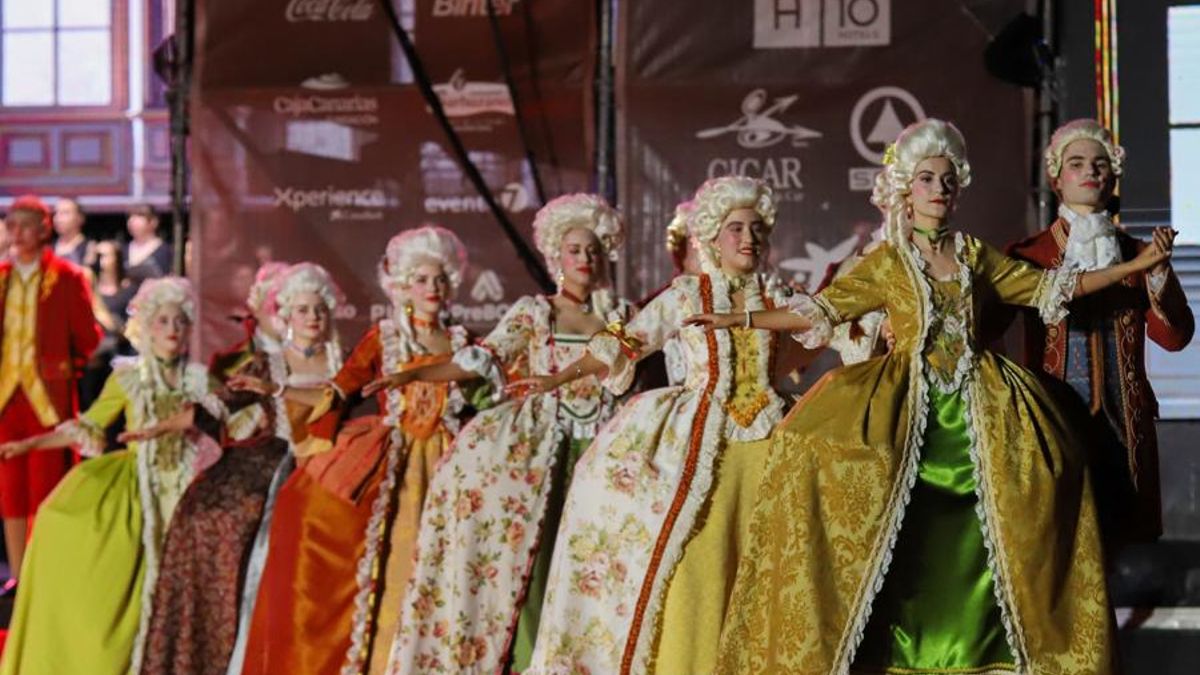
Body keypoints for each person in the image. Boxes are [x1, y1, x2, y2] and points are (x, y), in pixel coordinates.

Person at [699, 120, 1172, 674]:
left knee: (1021, 500)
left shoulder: (974, 254)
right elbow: (821, 310)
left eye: (947, 179)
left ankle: (990, 651)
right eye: (926, 178)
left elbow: (1051, 288)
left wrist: (1136, 266)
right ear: (907, 189)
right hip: (905, 406)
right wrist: (741, 317)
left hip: (981, 405)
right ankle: (892, 649)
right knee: (875, 508)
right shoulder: (889, 260)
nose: (939, 188)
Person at [523, 176, 807, 674]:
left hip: (769, 439)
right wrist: (561, 376)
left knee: (772, 567)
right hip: (703, 442)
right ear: (712, 238)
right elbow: (625, 341)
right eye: (735, 228)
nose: (748, 239)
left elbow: (819, 332)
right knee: (697, 565)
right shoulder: (687, 294)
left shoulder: (778, 295)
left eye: (756, 229)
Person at [382, 195, 634, 675]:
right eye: (576, 249)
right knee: (537, 560)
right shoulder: (536, 313)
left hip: (604, 448)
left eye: (595, 250)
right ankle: (530, 659)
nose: (586, 259)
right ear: (556, 256)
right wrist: (412, 375)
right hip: (546, 453)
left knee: (595, 561)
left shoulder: (618, 316)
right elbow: (480, 360)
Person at [238, 228, 476, 675]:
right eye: (422, 280)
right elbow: (335, 394)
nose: (433, 289)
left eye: (440, 279)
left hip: (449, 464)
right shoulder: (382, 339)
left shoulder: (464, 343)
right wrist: (278, 388)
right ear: (403, 286)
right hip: (393, 461)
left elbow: (489, 399)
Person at [0, 277, 225, 675]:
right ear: (146, 328)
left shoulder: (200, 380)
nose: (172, 329)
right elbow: (88, 426)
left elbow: (231, 422)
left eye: (179, 321)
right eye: (162, 321)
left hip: (190, 483)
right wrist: (29, 446)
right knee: (68, 529)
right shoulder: (127, 377)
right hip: (137, 484)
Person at [140, 263, 343, 675]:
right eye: (302, 310)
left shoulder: (345, 362)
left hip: (333, 462)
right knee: (218, 517)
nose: (312, 318)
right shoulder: (270, 364)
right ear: (286, 315)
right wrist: (163, 425)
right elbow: (219, 403)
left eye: (318, 309)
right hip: (279, 460)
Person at [1007, 119, 1194, 549]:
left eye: (1100, 163)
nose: (1090, 172)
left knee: (1112, 538)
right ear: (1056, 176)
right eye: (1077, 163)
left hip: (1122, 421)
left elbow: (1175, 337)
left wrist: (1159, 273)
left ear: (1113, 176)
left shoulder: (1137, 252)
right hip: (1054, 417)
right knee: (1055, 534)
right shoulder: (1029, 255)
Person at [0, 195, 102, 596]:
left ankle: (46, 569)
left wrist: (64, 368)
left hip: (48, 397)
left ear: (44, 229)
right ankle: (19, 576)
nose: (17, 232)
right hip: (7, 397)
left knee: (47, 484)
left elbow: (88, 339)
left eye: (26, 224)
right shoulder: (1, 276)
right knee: (10, 487)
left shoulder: (67, 276)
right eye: (12, 224)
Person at [124, 204, 173, 287]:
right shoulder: (124, 249)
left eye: (139, 216)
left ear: (153, 222)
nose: (132, 221)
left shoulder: (166, 250)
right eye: (130, 217)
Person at [53, 197, 96, 268]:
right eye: (56, 213)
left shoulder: (90, 248)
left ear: (80, 218)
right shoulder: (48, 248)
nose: (58, 218)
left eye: (65, 213)